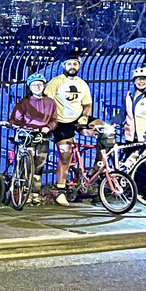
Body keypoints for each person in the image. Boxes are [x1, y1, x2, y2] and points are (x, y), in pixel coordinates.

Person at [45, 51, 93, 206]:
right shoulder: (56, 82)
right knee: (65, 155)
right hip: (62, 122)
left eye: (75, 64)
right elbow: (47, 102)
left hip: (79, 119)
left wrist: (85, 116)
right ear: (63, 65)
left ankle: (94, 174)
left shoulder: (82, 84)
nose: (72, 67)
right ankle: (60, 191)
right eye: (69, 64)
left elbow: (87, 104)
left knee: (106, 132)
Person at [6, 72, 58, 204]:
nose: (37, 87)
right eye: (34, 85)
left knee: (39, 166)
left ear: (44, 86)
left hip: (42, 135)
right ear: (30, 87)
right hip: (27, 135)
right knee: (27, 165)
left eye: (40, 84)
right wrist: (12, 124)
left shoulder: (50, 102)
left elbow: (54, 119)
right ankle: (25, 193)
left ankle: (35, 193)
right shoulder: (24, 102)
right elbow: (16, 118)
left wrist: (49, 127)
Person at [117, 67, 146, 143]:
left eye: (144, 79)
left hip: (144, 136)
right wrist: (110, 123)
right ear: (134, 81)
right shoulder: (128, 95)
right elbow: (122, 113)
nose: (141, 81)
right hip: (130, 136)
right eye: (139, 79)